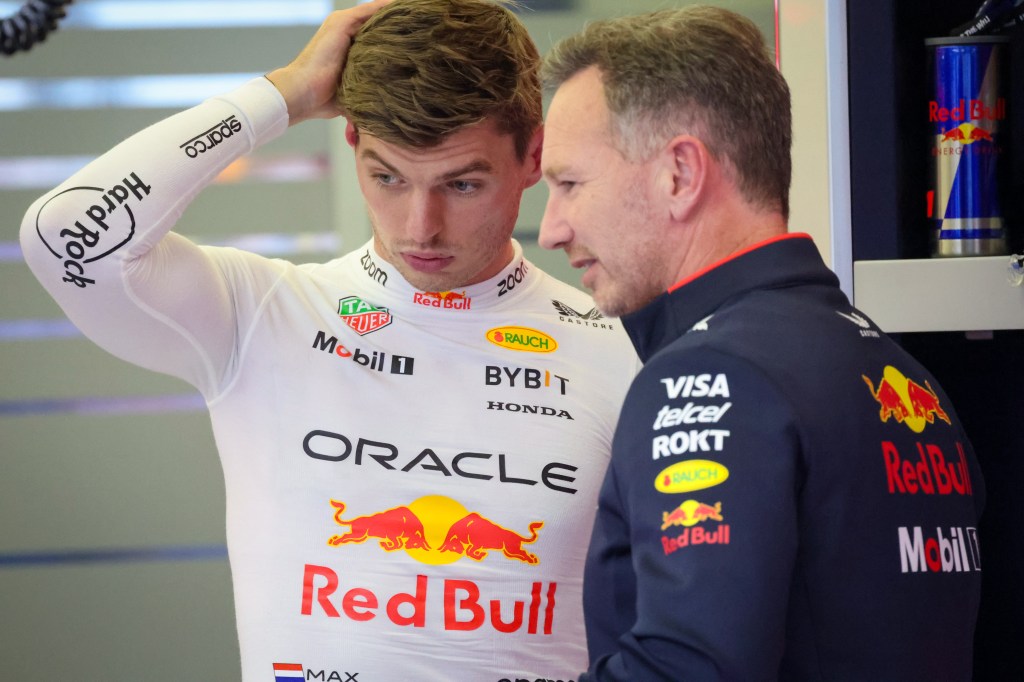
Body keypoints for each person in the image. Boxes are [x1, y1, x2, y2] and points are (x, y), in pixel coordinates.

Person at [19, 1, 640, 679]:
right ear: (350, 143)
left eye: (462, 183)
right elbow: (66, 235)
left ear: (533, 157)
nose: (420, 227)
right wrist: (282, 95)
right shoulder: (264, 313)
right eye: (388, 178)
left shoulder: (623, 348)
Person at [538, 6, 985, 680]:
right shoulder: (904, 377)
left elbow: (686, 669)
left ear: (679, 174)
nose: (550, 229)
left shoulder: (709, 374)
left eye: (569, 184)